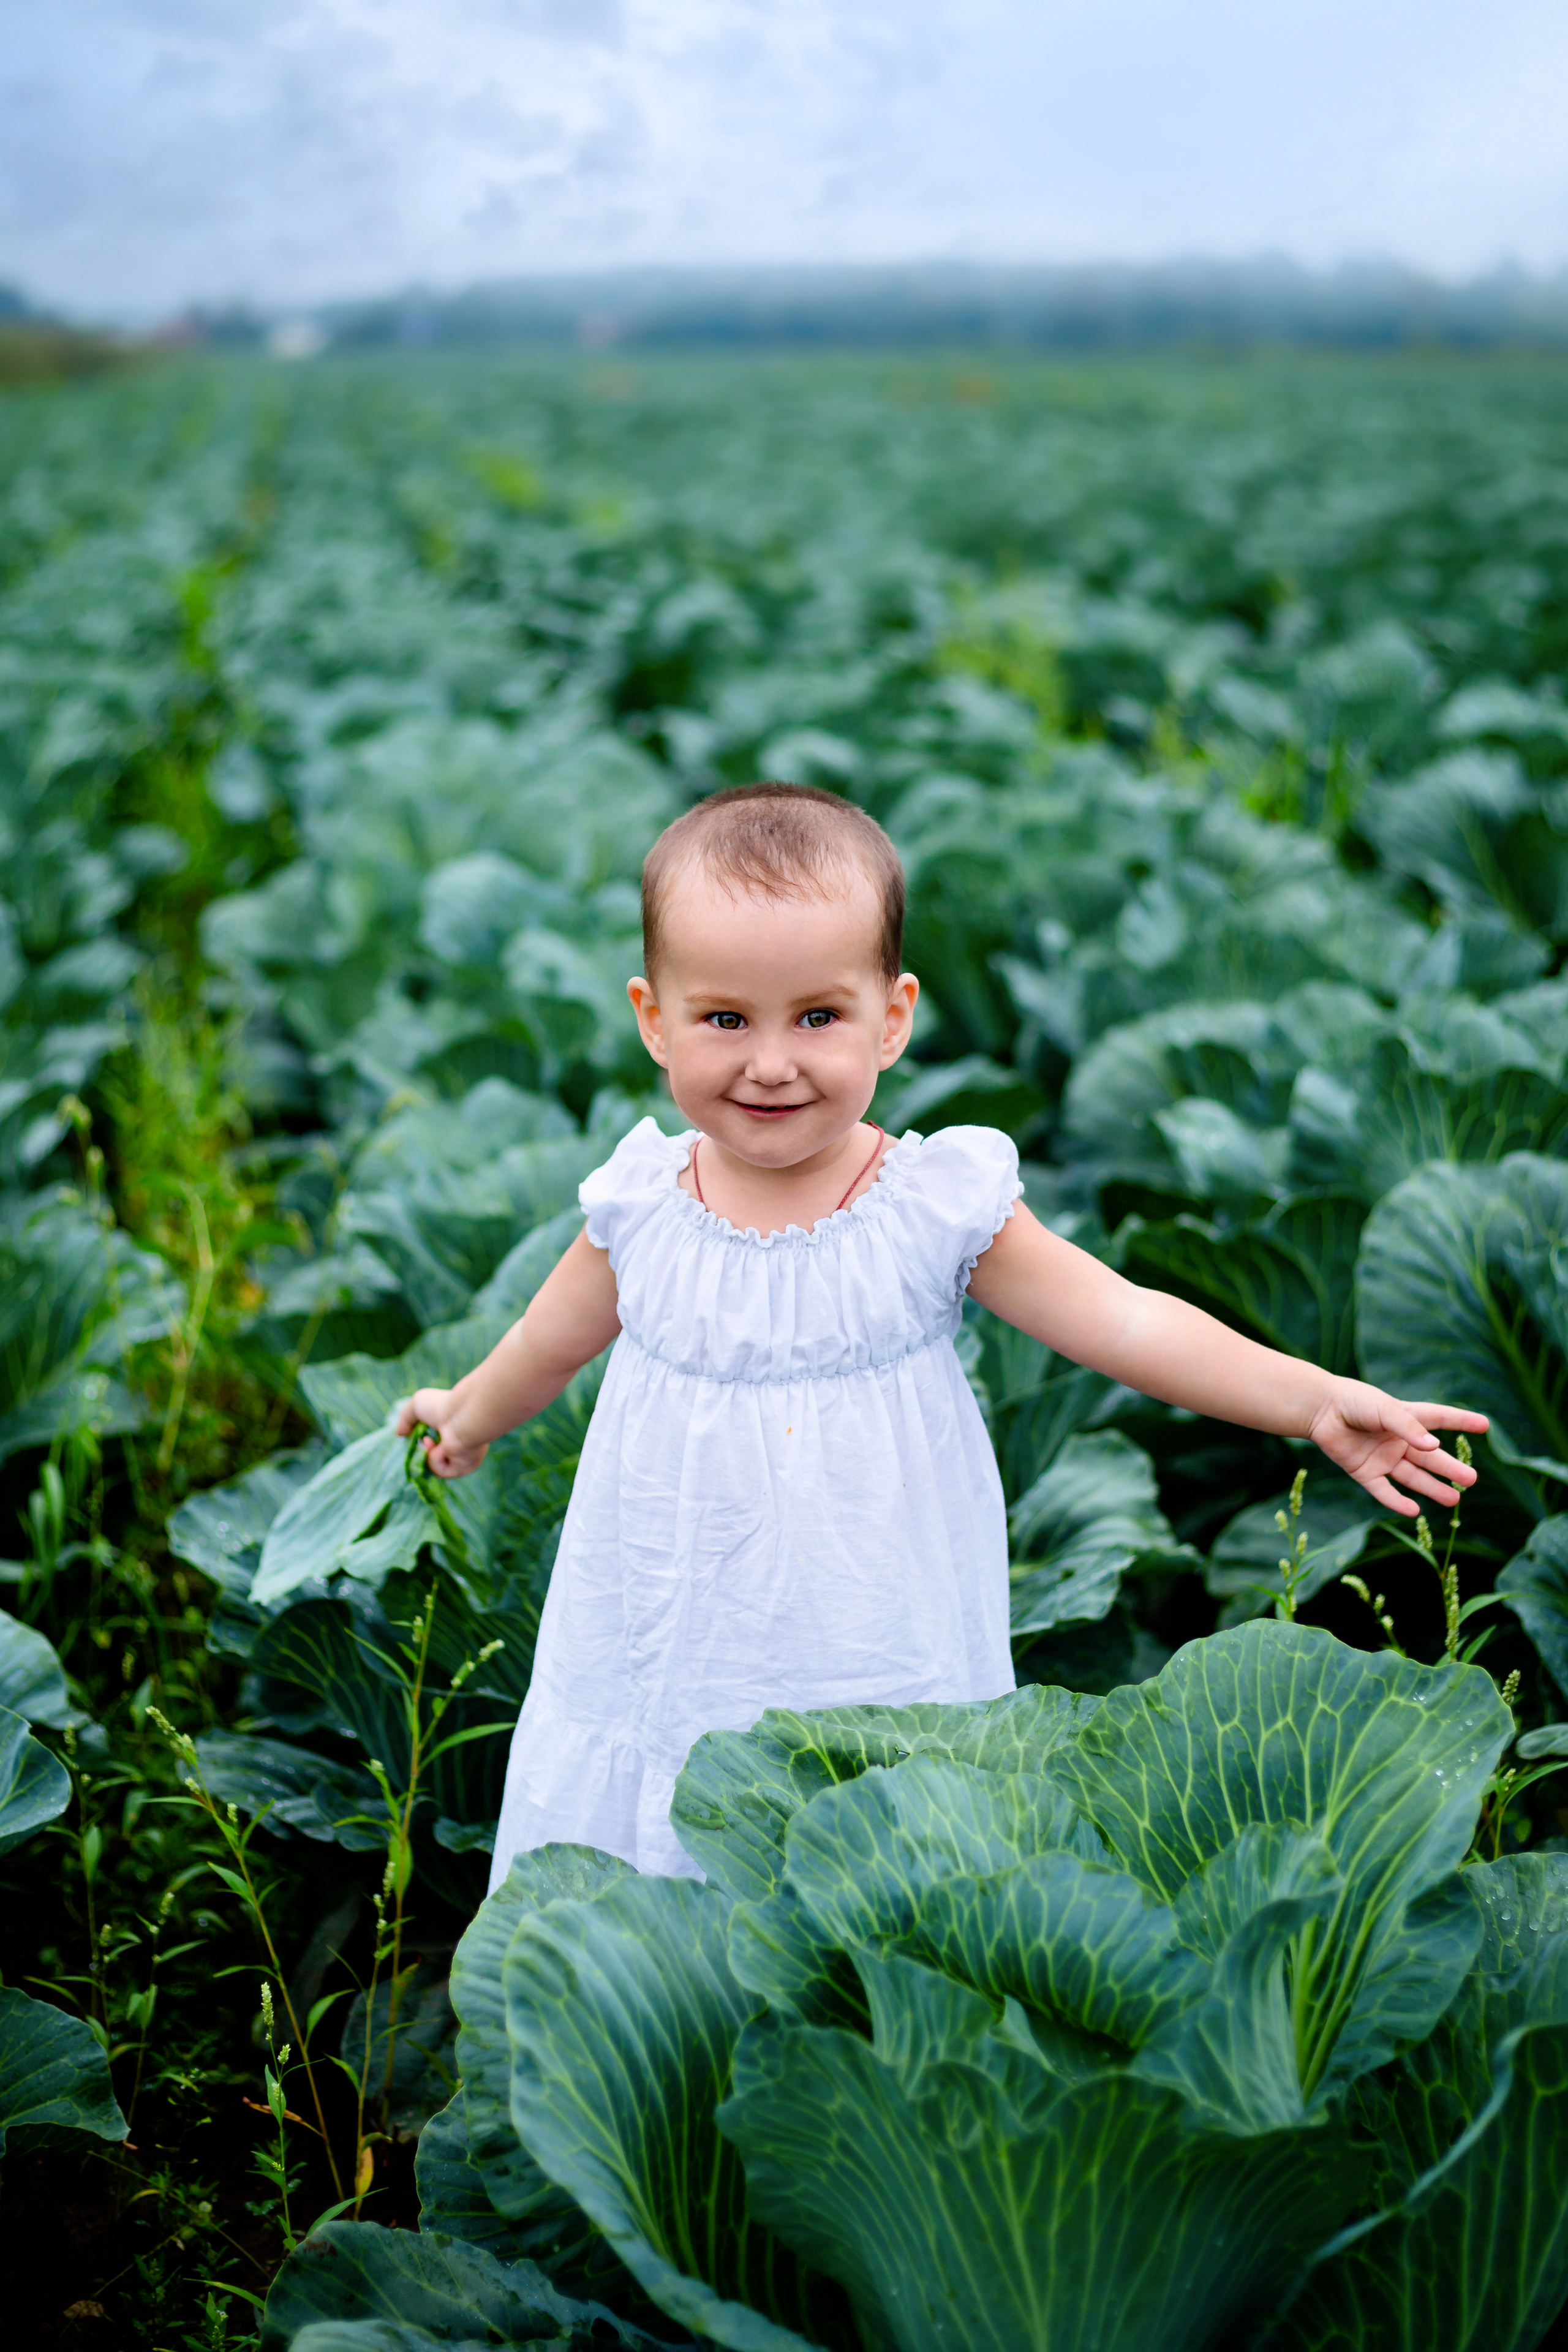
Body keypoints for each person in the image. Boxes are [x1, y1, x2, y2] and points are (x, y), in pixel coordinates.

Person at [396, 783, 1487, 1885]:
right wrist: (467, 1415)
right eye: (726, 1019)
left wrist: (1309, 1400)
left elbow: (1123, 1318)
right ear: (653, 1020)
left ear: (894, 1016)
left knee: (883, 1832)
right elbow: (545, 1341)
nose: (771, 1062)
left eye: (817, 1017)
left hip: (876, 1613)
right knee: (667, 1830)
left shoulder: (928, 1207)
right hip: (676, 1614)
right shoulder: (643, 1207)